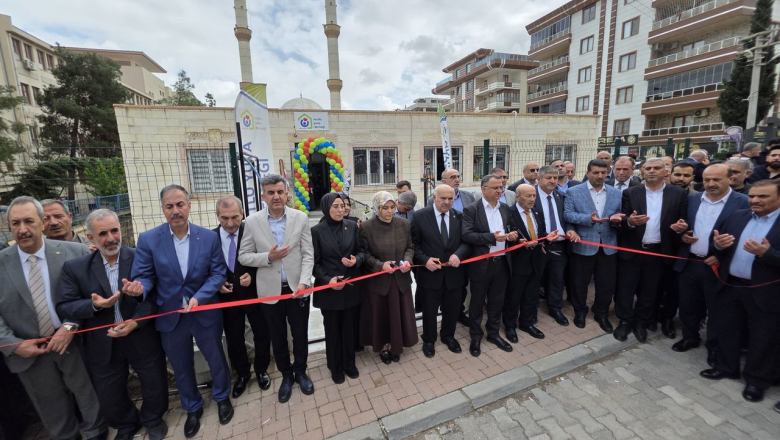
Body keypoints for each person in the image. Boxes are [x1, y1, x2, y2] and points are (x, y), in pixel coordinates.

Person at [128, 184, 233, 438]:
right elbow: (144, 275)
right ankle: (192, 407)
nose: (175, 210)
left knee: (216, 357)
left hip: (204, 311)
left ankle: (222, 397)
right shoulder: (149, 240)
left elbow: (218, 272)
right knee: (181, 365)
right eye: (169, 206)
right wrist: (139, 287)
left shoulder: (207, 238)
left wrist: (199, 297)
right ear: (163, 209)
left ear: (189, 205)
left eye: (180, 204)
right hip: (170, 315)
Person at [56, 209, 168, 440]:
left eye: (114, 231)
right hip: (103, 341)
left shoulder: (140, 258)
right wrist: (95, 305)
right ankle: (127, 424)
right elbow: (65, 306)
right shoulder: (75, 268)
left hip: (139, 335)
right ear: (90, 238)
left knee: (154, 381)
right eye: (103, 233)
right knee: (109, 392)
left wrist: (135, 321)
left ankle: (153, 419)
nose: (111, 238)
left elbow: (157, 296)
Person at [0, 196, 106, 440]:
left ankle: (97, 432)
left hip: (73, 341)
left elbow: (91, 295)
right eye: (16, 223)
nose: (22, 229)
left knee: (87, 395)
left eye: (29, 221)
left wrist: (69, 327)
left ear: (42, 222)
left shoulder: (75, 253)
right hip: (28, 351)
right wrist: (14, 345)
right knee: (51, 406)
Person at [700, 180, 780, 404]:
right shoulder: (737, 216)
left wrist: (768, 254)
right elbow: (716, 245)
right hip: (731, 285)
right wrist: (718, 246)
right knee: (727, 328)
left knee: (763, 337)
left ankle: (756, 381)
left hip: (766, 291)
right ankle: (727, 367)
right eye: (752, 196)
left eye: (763, 196)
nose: (755, 200)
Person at [238, 174, 315, 403]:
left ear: (287, 193)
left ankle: (301, 371)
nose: (276, 196)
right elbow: (243, 256)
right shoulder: (252, 222)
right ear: (263, 196)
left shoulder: (300, 218)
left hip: (297, 288)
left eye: (280, 192)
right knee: (278, 336)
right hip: (269, 291)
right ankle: (286, 375)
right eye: (271, 193)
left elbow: (308, 254)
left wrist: (304, 282)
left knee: (300, 334)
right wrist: (268, 257)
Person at [672, 164, 748, 366]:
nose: (711, 183)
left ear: (730, 179)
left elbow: (746, 236)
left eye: (716, 179)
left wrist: (721, 256)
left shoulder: (743, 202)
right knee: (688, 305)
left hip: (718, 266)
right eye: (707, 180)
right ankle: (690, 337)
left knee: (717, 310)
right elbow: (684, 227)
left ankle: (714, 347)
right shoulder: (692, 199)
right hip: (690, 262)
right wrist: (682, 235)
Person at [613, 158, 688, 343]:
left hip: (658, 252)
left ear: (666, 172)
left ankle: (641, 322)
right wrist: (630, 222)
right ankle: (625, 321)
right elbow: (622, 220)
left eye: (656, 168)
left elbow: (684, 221)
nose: (652, 171)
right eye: (648, 168)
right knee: (625, 289)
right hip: (633, 250)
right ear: (642, 172)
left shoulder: (678, 194)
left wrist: (681, 228)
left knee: (650, 291)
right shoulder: (631, 192)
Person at [212, 196, 271, 397]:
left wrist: (252, 276)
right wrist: (217, 283)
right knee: (234, 338)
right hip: (227, 298)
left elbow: (265, 258)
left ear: (243, 214)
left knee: (261, 333)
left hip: (253, 293)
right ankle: (243, 374)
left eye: (235, 217)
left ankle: (261, 369)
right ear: (217, 216)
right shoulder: (210, 238)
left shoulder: (253, 232)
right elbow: (206, 267)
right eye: (224, 218)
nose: (230, 223)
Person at [564, 159, 623, 332]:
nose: (600, 176)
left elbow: (621, 215)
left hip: (608, 245)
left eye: (603, 173)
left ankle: (601, 313)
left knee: (606, 284)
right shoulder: (573, 192)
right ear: (588, 172)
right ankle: (580, 311)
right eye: (596, 172)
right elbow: (567, 214)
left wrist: (619, 219)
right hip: (584, 244)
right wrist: (587, 219)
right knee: (579, 283)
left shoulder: (616, 193)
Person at [462, 175, 518, 356]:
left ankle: (493, 333)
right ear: (483, 189)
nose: (499, 191)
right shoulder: (472, 209)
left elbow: (510, 229)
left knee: (496, 301)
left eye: (501, 187)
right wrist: (492, 237)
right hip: (481, 264)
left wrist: (512, 235)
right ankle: (475, 336)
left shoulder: (505, 208)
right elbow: (467, 235)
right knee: (477, 302)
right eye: (495, 188)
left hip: (502, 262)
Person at [411, 185, 469, 357]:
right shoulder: (420, 217)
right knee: (429, 310)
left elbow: (466, 242)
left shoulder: (459, 216)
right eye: (443, 198)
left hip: (454, 275)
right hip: (430, 275)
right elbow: (413, 245)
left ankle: (448, 336)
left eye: (450, 198)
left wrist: (458, 255)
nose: (447, 202)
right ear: (434, 197)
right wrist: (425, 260)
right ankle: (429, 339)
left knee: (452, 308)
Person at [311, 193, 364, 383]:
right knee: (332, 330)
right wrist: (328, 280)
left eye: (342, 206)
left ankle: (349, 363)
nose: (341, 210)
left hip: (350, 287)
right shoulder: (317, 231)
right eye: (336, 206)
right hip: (329, 290)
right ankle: (335, 366)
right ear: (326, 208)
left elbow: (362, 251)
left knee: (349, 329)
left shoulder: (352, 226)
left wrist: (356, 260)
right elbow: (314, 263)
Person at [359, 191, 417, 363]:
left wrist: (407, 261)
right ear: (377, 208)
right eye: (385, 208)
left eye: (392, 207)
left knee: (399, 314)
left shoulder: (404, 224)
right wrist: (380, 265)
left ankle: (397, 345)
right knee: (382, 315)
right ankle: (384, 346)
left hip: (400, 279)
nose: (390, 211)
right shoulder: (366, 227)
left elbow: (410, 247)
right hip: (380, 281)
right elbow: (364, 254)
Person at [504, 184, 548, 342]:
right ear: (518, 197)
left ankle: (526, 323)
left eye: (534, 196)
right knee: (514, 296)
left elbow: (541, 233)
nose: (532, 199)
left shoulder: (537, 212)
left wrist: (547, 238)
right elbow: (505, 236)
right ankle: (510, 326)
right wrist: (517, 242)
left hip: (536, 260)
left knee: (531, 294)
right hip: (518, 262)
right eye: (528, 196)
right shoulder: (509, 213)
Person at [535, 166, 579, 325]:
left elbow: (568, 219)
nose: (553, 181)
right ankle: (531, 310)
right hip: (539, 245)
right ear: (539, 179)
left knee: (557, 279)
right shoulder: (531, 196)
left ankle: (555, 308)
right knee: (535, 279)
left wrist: (570, 230)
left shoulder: (562, 196)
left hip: (559, 246)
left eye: (555, 178)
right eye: (549, 177)